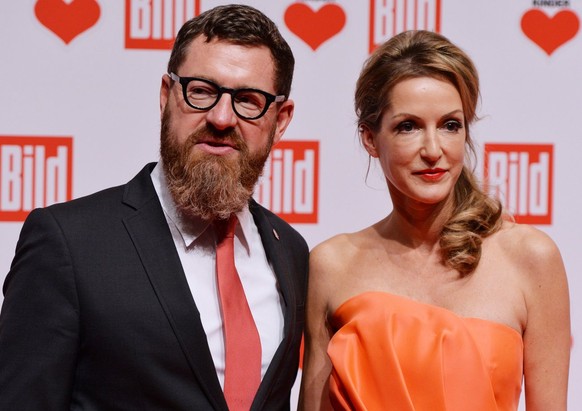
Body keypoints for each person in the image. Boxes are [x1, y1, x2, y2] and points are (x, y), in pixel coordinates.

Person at [0, 4, 308, 410]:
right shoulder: (69, 243)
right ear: (167, 96)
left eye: (248, 100)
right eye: (201, 90)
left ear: (280, 119)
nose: (220, 117)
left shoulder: (290, 250)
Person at [299, 30, 570, 411]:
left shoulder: (530, 258)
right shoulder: (331, 264)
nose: (433, 150)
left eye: (450, 125)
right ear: (370, 139)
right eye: (408, 126)